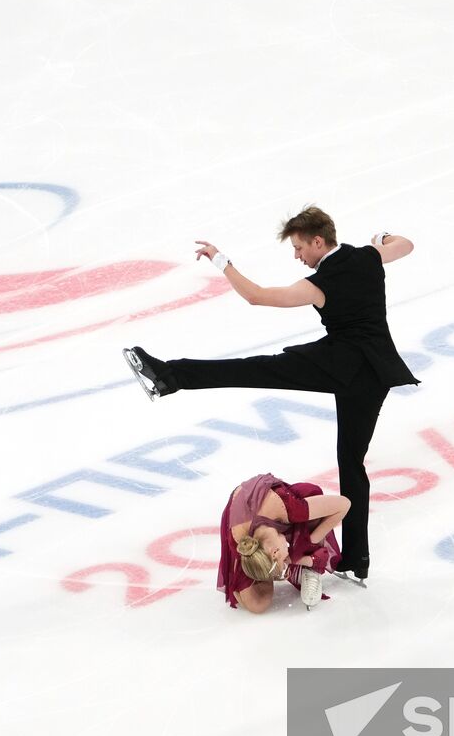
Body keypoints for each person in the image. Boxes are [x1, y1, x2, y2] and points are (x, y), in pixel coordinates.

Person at [123, 205, 419, 584]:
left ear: (317, 240)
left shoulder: (320, 283)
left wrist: (222, 261)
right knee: (351, 463)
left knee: (253, 367)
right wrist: (381, 237)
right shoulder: (368, 257)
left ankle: (168, 376)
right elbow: (405, 245)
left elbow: (257, 296)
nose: (298, 256)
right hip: (375, 374)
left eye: (299, 248)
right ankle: (356, 559)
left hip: (337, 364)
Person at [220, 473, 350, 613]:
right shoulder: (241, 543)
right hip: (242, 517)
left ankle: (309, 570)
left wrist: (311, 541)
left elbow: (344, 504)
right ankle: (266, 566)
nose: (288, 557)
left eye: (285, 559)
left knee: (310, 508)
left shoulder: (289, 508)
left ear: (274, 552)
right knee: (257, 605)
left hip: (277, 505)